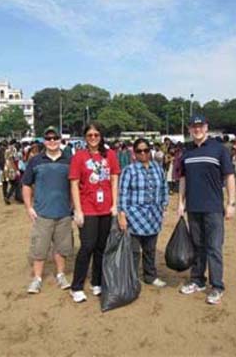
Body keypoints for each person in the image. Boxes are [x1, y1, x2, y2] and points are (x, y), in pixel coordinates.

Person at [178, 115, 236, 305]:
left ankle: (217, 286)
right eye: (194, 127)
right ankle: (197, 280)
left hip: (213, 208)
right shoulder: (186, 152)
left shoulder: (219, 149)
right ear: (189, 129)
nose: (197, 129)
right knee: (197, 247)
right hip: (193, 208)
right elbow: (183, 180)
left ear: (206, 127)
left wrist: (231, 203)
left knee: (214, 248)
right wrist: (180, 202)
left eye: (200, 126)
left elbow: (229, 176)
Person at [69, 123, 120, 303]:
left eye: (96, 134)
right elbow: (74, 184)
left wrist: (115, 204)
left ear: (101, 136)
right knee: (87, 246)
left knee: (101, 248)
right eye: (89, 135)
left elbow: (114, 180)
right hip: (88, 208)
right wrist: (78, 210)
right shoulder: (79, 157)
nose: (93, 138)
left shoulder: (110, 155)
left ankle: (97, 281)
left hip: (106, 208)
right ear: (85, 137)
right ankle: (76, 285)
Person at [22, 126, 73, 294]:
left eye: (55, 138)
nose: (52, 141)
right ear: (44, 141)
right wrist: (29, 207)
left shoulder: (69, 159)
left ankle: (60, 274)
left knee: (61, 247)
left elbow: (76, 184)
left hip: (64, 213)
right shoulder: (36, 160)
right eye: (49, 138)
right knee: (40, 248)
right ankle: (37, 278)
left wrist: (73, 205)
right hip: (42, 213)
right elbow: (26, 185)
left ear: (60, 140)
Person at [118, 138, 169, 288]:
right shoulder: (129, 170)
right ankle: (131, 279)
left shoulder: (157, 168)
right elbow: (122, 194)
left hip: (154, 216)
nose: (143, 154)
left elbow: (164, 188)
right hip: (134, 216)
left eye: (146, 150)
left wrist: (164, 205)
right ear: (134, 153)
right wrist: (122, 215)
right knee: (133, 251)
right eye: (139, 151)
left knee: (150, 249)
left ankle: (150, 276)